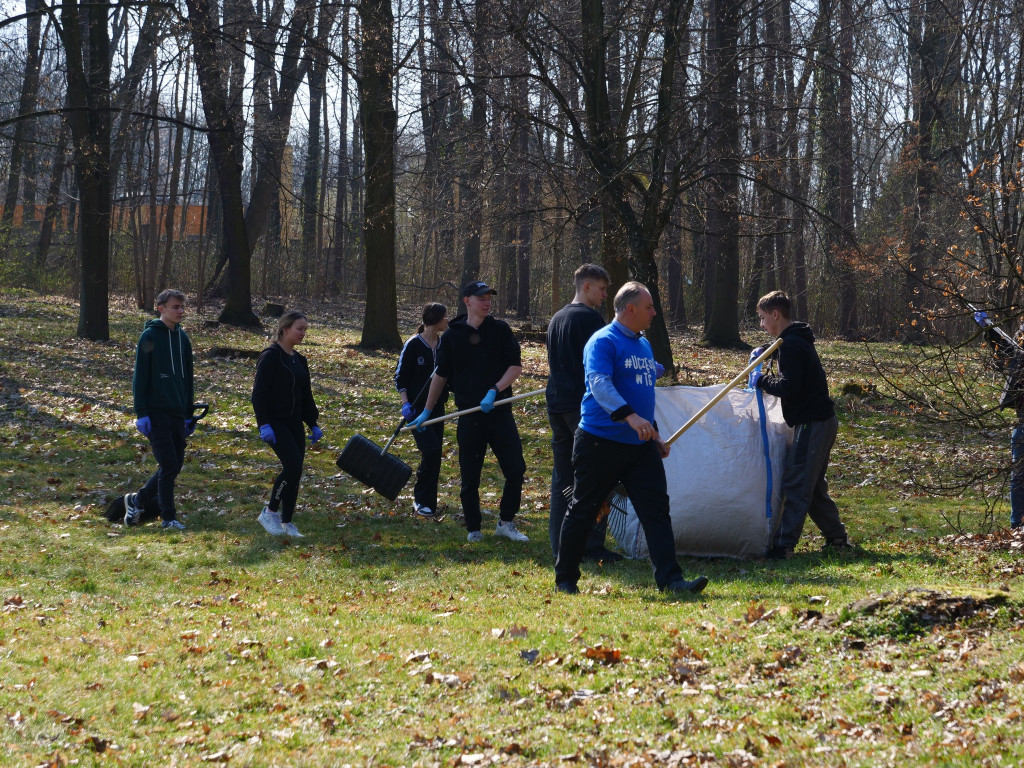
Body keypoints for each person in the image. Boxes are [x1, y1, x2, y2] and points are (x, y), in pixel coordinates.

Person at [555, 282, 709, 595]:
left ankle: (671, 580)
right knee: (584, 510)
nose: (654, 313)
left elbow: (642, 394)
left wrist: (653, 433)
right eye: (649, 307)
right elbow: (599, 383)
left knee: (656, 511)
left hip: (639, 447)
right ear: (631, 309)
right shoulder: (602, 341)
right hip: (599, 442)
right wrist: (630, 417)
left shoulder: (643, 345)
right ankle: (566, 580)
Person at [410, 281, 529, 543]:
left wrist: (495, 390)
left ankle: (506, 522)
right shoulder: (452, 336)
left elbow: (515, 367)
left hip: (499, 412)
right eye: (481, 298)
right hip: (469, 416)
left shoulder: (500, 330)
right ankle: (473, 528)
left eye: (489, 299)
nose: (487, 303)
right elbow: (440, 375)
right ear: (467, 301)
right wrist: (427, 411)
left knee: (515, 469)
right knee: (470, 478)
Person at [749, 290, 850, 558]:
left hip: (812, 423)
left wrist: (760, 381)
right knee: (812, 487)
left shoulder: (791, 345)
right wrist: (768, 355)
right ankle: (837, 538)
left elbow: (789, 387)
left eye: (762, 318)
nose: (762, 324)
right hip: (821, 421)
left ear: (775, 314)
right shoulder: (793, 341)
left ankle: (784, 546)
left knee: (797, 483)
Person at [546, 263, 624, 562]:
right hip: (581, 407)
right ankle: (591, 546)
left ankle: (560, 547)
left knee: (563, 478)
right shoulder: (590, 319)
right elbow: (600, 365)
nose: (605, 295)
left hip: (556, 404)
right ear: (586, 286)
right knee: (596, 475)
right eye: (602, 289)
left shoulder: (557, 318)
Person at [124, 289, 196, 531]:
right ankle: (168, 518)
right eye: (175, 307)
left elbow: (188, 379)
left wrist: (189, 413)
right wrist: (141, 413)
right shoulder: (150, 336)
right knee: (168, 465)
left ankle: (138, 500)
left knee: (175, 465)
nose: (180, 311)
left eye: (182, 307)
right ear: (161, 308)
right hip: (156, 413)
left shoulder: (183, 339)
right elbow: (140, 377)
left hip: (178, 413)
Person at [252, 310, 323, 538]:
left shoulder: (299, 360)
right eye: (299, 329)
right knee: (292, 467)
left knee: (296, 471)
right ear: (285, 329)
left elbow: (305, 395)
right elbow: (259, 394)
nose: (303, 333)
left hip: (294, 423)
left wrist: (312, 423)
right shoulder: (270, 356)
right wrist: (264, 424)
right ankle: (270, 512)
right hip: (275, 423)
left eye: (305, 329)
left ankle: (287, 522)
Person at [395, 302, 449, 517]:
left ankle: (428, 502)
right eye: (444, 317)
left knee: (434, 454)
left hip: (438, 408)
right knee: (431, 450)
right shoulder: (413, 344)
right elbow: (400, 377)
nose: (447, 320)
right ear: (435, 319)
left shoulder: (444, 344)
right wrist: (405, 403)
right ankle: (421, 499)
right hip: (416, 410)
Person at [973, 309, 1024, 528]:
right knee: (1019, 475)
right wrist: (988, 328)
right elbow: (1006, 351)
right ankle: (1017, 525)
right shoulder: (1020, 340)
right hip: (1023, 421)